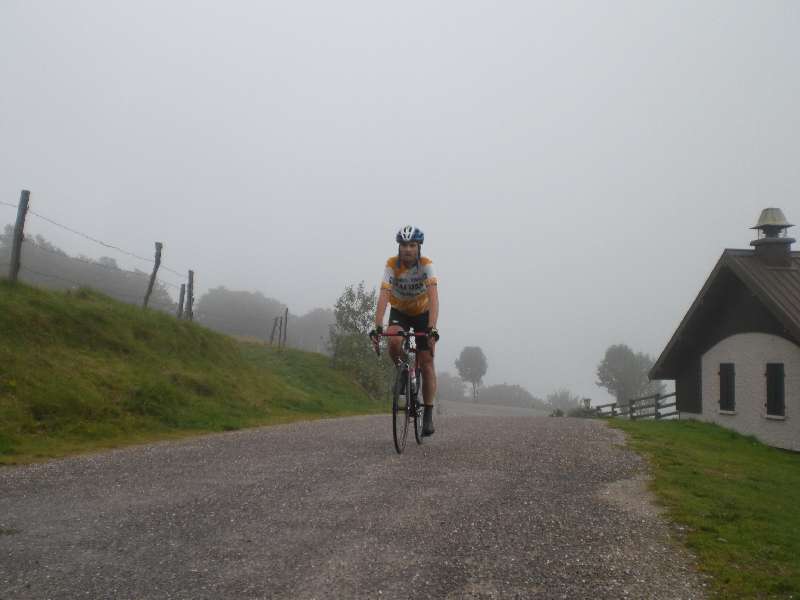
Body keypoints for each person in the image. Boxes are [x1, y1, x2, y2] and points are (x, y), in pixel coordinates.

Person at [370, 225, 440, 436]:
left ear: (418, 247)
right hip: (400, 310)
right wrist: (378, 325)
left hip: (422, 313)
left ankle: (427, 413)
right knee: (392, 340)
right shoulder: (392, 265)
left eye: (412, 245)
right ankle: (402, 371)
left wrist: (432, 328)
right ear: (398, 247)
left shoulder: (426, 265)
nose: (407, 249)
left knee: (426, 362)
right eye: (403, 245)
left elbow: (434, 298)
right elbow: (384, 294)